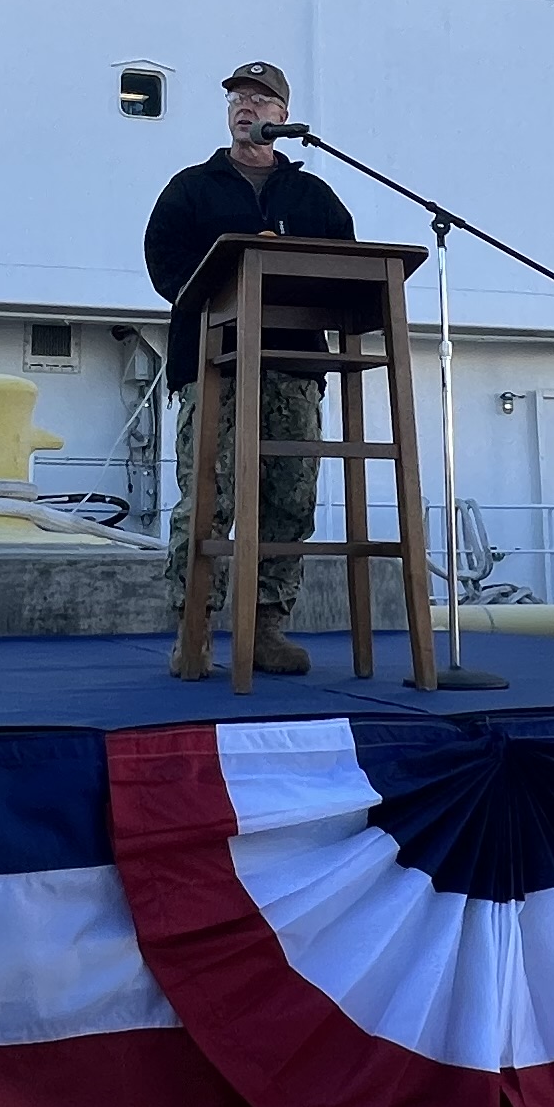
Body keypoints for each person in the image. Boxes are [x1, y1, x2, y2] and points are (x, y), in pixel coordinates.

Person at [142, 63, 354, 676]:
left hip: (293, 365)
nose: (245, 106)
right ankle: (195, 627)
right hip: (215, 364)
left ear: (282, 118)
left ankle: (265, 627)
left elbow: (343, 266)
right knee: (207, 498)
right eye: (237, 96)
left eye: (260, 98)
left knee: (289, 500)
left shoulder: (313, 196)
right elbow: (168, 269)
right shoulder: (191, 188)